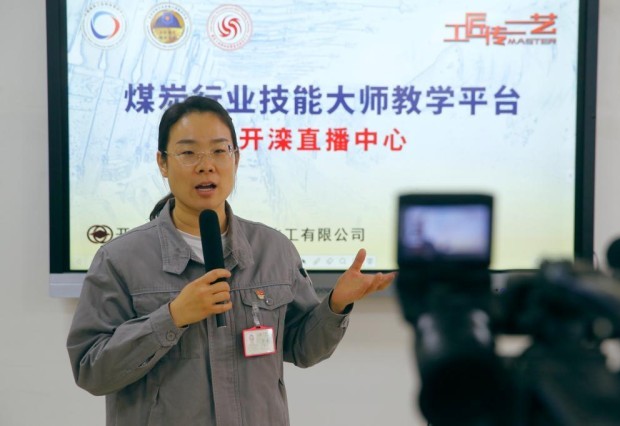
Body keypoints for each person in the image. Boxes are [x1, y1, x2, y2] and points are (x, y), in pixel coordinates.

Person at [67, 95, 396, 426]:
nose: (206, 165)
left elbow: (302, 348)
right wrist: (173, 317)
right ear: (162, 163)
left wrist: (336, 304)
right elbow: (90, 369)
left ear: (236, 158)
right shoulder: (120, 259)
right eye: (188, 153)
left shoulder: (273, 249)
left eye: (219, 150)